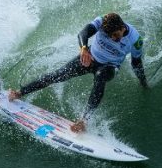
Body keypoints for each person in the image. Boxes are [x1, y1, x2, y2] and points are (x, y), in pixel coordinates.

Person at [8, 12, 149, 133]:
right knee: (58, 74)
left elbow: (136, 63)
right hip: (89, 57)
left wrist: (143, 83)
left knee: (100, 77)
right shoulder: (102, 21)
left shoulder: (135, 40)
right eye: (109, 35)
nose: (113, 38)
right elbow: (83, 33)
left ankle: (83, 121)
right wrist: (84, 48)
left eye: (115, 35)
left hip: (110, 66)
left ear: (122, 27)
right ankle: (20, 92)